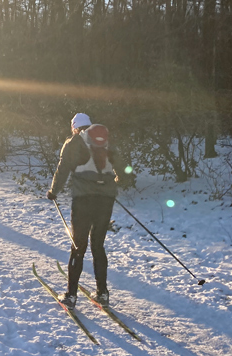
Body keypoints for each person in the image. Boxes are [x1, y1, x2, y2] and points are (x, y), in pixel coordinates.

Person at [46, 113, 133, 310]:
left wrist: (53, 191)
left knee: (78, 246)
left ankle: (71, 296)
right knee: (98, 245)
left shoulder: (74, 142)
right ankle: (102, 293)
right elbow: (124, 168)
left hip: (83, 200)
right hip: (106, 201)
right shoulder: (107, 143)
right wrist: (116, 183)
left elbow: (63, 169)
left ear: (74, 127)